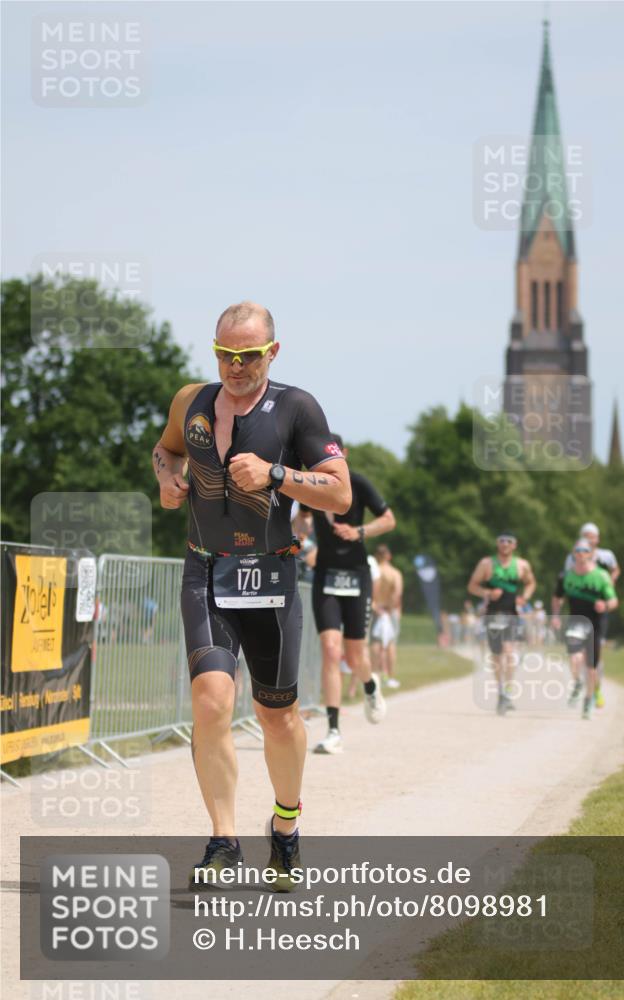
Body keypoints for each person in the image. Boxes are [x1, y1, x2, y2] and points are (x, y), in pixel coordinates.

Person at [152, 301, 351, 889]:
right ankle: (223, 840)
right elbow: (166, 450)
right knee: (211, 703)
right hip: (204, 572)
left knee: (277, 715)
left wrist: (275, 475)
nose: (233, 366)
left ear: (272, 352)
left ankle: (285, 826)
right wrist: (166, 479)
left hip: (270, 577)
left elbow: (338, 495)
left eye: (247, 355)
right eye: (223, 353)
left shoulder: (296, 406)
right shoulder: (191, 400)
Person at [304, 435, 395, 754]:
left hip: (356, 575)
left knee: (356, 656)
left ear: (343, 454)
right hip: (325, 575)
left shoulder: (358, 483)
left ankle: (371, 686)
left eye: (334, 454)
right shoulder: (311, 483)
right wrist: (299, 541)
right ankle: (333, 730)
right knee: (331, 650)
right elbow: (301, 518)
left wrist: (359, 532)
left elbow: (388, 519)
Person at [467, 532, 536, 715]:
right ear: (497, 544)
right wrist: (487, 593)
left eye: (509, 541)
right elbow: (472, 586)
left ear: (514, 545)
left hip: (512, 613)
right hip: (493, 615)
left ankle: (508, 691)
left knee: (509, 651)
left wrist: (525, 598)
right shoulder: (486, 564)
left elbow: (530, 583)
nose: (505, 544)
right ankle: (500, 692)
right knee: (497, 656)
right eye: (501, 541)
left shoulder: (522, 565)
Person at [552, 538, 618, 720]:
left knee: (591, 668)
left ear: (590, 554)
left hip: (595, 624)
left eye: (584, 551)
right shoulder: (566, 576)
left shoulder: (601, 576)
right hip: (576, 622)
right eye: (577, 551)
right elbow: (557, 598)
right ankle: (578, 683)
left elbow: (614, 601)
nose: (580, 554)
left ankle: (588, 700)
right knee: (574, 659)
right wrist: (556, 616)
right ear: (573, 554)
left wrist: (604, 605)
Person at [370, 544, 403, 688]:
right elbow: (397, 592)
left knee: (375, 643)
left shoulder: (375, 572)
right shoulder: (395, 573)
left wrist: (376, 607)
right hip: (390, 611)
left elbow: (370, 592)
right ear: (388, 556)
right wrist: (390, 608)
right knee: (390, 644)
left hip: (376, 609)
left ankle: (375, 675)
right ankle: (390, 677)